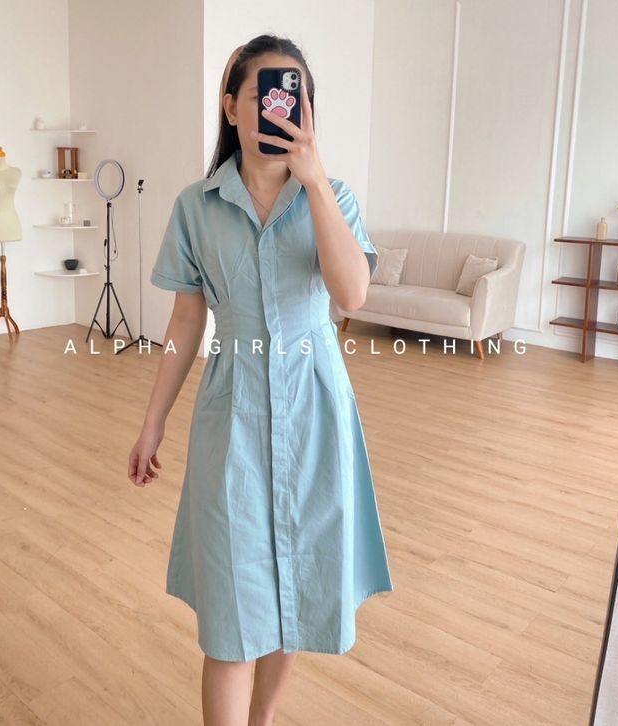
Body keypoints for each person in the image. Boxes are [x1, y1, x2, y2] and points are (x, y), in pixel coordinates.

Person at [128, 34, 393, 726]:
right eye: (265, 93)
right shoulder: (196, 206)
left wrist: (315, 182)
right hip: (234, 410)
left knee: (296, 587)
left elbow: (352, 294)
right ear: (232, 106)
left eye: (294, 96)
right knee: (232, 610)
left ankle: (262, 719)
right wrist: (153, 421)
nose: (282, 107)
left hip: (315, 410)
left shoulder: (333, 196)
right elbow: (187, 320)